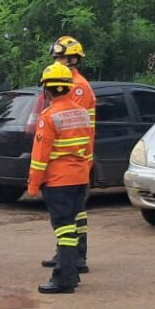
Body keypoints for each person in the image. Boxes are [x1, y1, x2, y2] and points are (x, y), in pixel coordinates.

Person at [28, 62, 94, 294]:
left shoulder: (49, 116)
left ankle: (63, 279)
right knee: (73, 226)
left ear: (47, 89)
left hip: (58, 181)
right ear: (67, 87)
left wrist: (33, 184)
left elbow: (40, 156)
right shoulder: (82, 113)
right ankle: (72, 272)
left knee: (64, 229)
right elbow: (88, 147)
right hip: (80, 178)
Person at [41, 35, 96, 275]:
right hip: (74, 158)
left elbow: (71, 123)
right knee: (73, 213)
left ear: (74, 59)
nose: (57, 62)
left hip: (74, 159)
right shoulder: (65, 82)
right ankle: (68, 255)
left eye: (61, 58)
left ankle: (75, 258)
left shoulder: (78, 87)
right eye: (56, 58)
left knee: (71, 214)